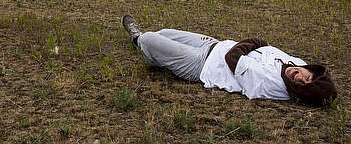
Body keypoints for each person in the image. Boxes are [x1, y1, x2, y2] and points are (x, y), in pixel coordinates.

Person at [121, 14, 337, 105]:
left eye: (303, 86)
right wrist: (253, 44)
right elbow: (264, 44)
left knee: (150, 39)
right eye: (308, 78)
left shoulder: (270, 86)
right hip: (213, 44)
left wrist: (250, 44)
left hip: (201, 65)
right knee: (165, 33)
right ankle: (156, 56)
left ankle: (137, 37)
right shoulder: (294, 61)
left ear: (298, 92)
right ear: (312, 70)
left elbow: (233, 56)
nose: (300, 78)